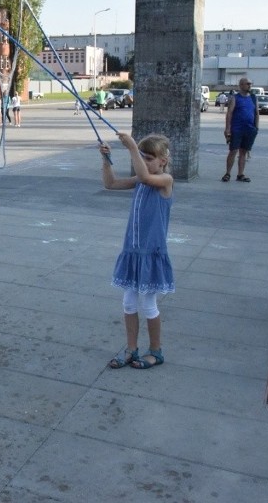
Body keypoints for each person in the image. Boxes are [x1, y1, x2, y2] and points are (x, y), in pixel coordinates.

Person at [99, 132, 175, 370]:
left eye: (149, 158)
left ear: (162, 160)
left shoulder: (165, 180)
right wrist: (106, 160)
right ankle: (131, 349)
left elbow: (143, 174)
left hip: (150, 254)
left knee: (149, 305)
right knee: (129, 304)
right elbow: (110, 184)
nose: (144, 162)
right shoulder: (141, 181)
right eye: (142, 157)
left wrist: (132, 146)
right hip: (132, 251)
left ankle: (156, 351)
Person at [222, 78, 258, 182]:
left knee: (244, 152)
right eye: (248, 84)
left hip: (250, 129)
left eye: (251, 84)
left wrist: (256, 127)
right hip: (237, 129)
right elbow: (229, 113)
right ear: (241, 85)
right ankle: (228, 173)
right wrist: (227, 129)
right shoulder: (235, 98)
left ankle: (240, 174)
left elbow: (256, 113)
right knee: (233, 151)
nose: (250, 86)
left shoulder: (253, 97)